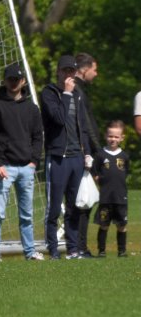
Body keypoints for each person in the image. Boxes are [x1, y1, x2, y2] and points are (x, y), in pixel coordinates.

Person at [0, 63, 45, 262]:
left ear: (23, 81)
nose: (13, 83)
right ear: (4, 81)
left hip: (26, 167)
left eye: (16, 79)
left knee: (26, 215)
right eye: (10, 79)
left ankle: (29, 252)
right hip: (5, 168)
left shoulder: (32, 109)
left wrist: (34, 161)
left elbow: (38, 137)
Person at [41, 55, 92, 260]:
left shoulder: (77, 95)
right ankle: (53, 249)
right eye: (65, 71)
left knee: (74, 206)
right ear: (58, 72)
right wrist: (67, 94)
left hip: (76, 157)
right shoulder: (49, 93)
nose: (68, 75)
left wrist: (87, 151)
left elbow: (83, 126)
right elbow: (59, 118)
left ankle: (72, 249)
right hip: (58, 157)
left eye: (72, 71)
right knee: (54, 207)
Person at [74, 53, 99, 257]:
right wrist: (98, 152)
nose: (96, 74)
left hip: (80, 153)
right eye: (94, 69)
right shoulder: (77, 91)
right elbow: (87, 127)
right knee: (83, 201)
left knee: (83, 200)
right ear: (84, 69)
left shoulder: (79, 90)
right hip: (82, 154)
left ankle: (77, 246)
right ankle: (79, 247)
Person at [93, 120, 130, 258]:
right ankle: (101, 251)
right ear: (105, 136)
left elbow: (126, 172)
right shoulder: (100, 155)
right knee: (104, 225)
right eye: (110, 136)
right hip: (105, 197)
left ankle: (122, 251)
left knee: (122, 225)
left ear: (122, 138)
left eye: (116, 137)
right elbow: (95, 174)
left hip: (120, 197)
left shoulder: (124, 156)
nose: (113, 139)